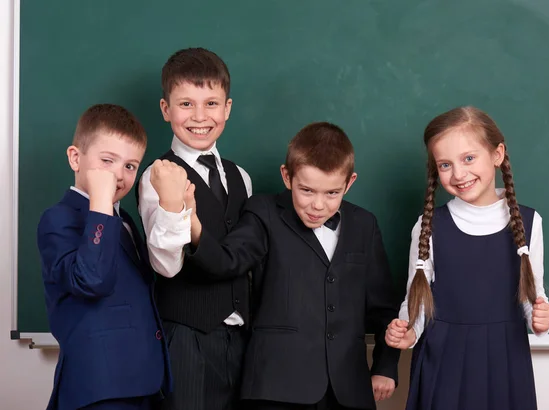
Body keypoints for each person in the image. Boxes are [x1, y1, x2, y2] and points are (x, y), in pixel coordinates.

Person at [152, 122, 400, 409]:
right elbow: (225, 261)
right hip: (276, 388)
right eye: (306, 190)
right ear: (287, 176)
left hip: (348, 389)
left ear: (350, 182)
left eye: (332, 193)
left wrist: (385, 364)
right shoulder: (264, 212)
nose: (318, 205)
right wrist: (192, 222)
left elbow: (383, 307)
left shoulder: (364, 224)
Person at [386, 106, 549, 410]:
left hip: (506, 360)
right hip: (443, 361)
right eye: (445, 164)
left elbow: (533, 298)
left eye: (468, 158)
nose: (459, 174)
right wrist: (408, 332)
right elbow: (417, 302)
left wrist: (541, 320)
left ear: (497, 154)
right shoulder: (428, 226)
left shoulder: (531, 222)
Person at [137, 47, 253, 410]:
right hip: (186, 338)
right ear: (165, 109)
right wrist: (176, 206)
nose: (200, 116)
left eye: (211, 103)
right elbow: (166, 265)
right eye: (186, 104)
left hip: (241, 339)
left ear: (228, 109)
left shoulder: (241, 177)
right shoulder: (155, 177)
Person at [37, 104, 171, 410]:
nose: (119, 175)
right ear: (76, 158)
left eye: (130, 166)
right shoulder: (58, 219)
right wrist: (99, 202)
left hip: (144, 381)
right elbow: (92, 280)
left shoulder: (123, 222)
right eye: (107, 161)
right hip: (100, 386)